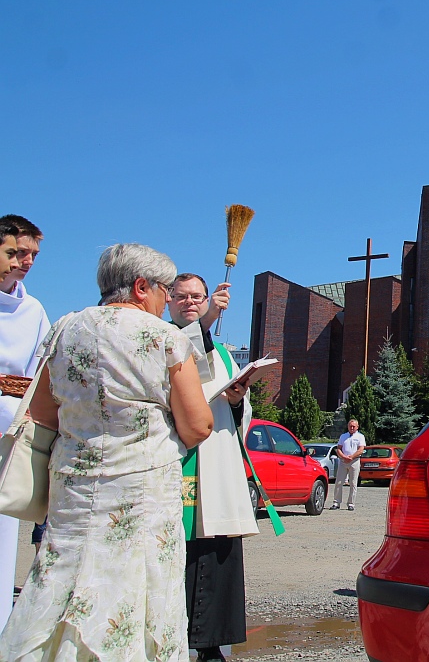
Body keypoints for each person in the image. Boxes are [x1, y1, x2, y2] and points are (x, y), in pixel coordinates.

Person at [0, 243, 214, 661]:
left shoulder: (64, 327)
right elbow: (198, 424)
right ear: (140, 287)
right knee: (137, 581)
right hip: (141, 489)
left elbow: (42, 412)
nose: (167, 299)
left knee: (62, 575)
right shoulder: (164, 336)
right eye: (165, 290)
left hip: (74, 485)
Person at [168, 273, 256, 662]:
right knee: (178, 555)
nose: (189, 302)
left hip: (216, 462)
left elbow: (235, 412)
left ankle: (210, 643)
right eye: (181, 296)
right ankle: (171, 637)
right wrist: (202, 325)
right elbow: (182, 362)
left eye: (197, 297)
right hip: (179, 460)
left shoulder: (220, 351)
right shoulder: (161, 338)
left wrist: (237, 400)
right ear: (167, 300)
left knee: (217, 553)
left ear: (206, 299)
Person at [0, 215, 48, 632]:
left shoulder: (33, 310)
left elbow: (43, 368)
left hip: (10, 419)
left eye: (31, 254)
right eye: (14, 252)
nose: (24, 261)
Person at [330, 419, 366, 511]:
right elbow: (338, 448)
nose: (352, 428)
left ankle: (351, 504)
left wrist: (351, 457)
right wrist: (343, 457)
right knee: (339, 482)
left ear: (357, 427)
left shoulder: (360, 437)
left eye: (354, 426)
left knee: (353, 483)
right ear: (348, 426)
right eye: (350, 426)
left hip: (354, 461)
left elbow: (361, 449)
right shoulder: (343, 436)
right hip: (343, 461)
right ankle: (336, 502)